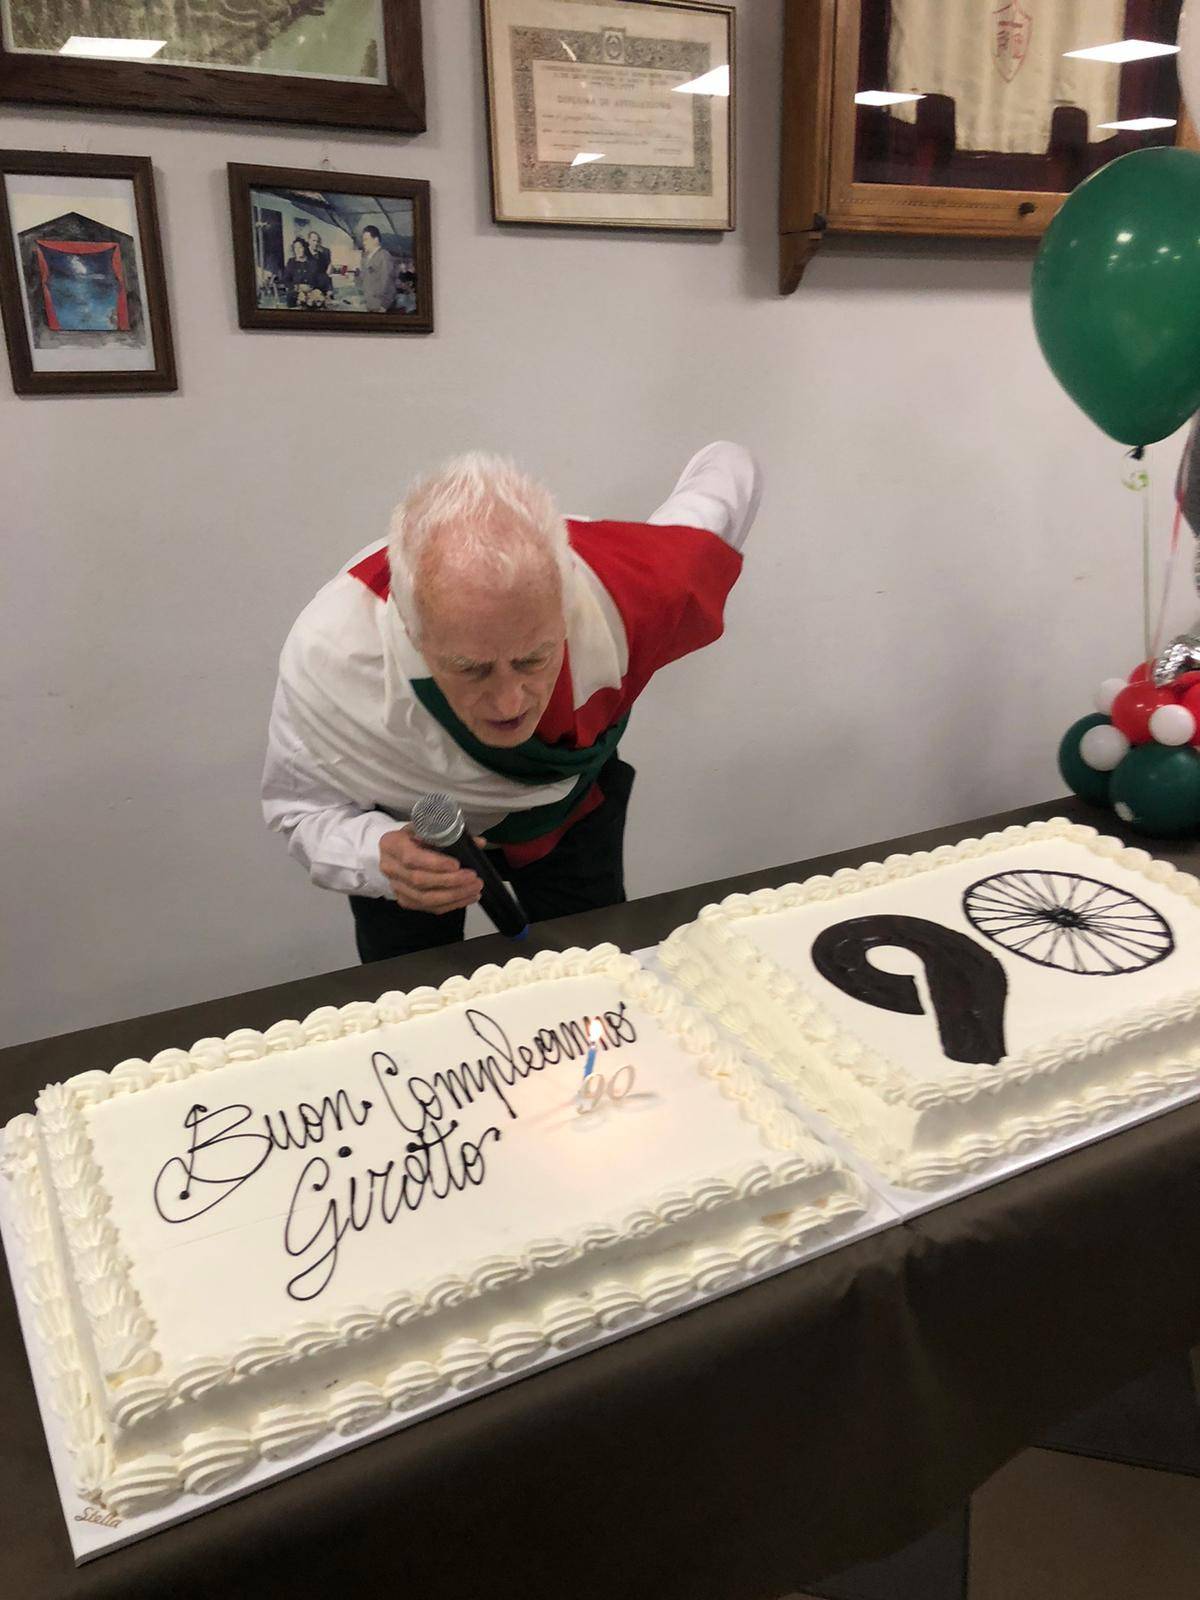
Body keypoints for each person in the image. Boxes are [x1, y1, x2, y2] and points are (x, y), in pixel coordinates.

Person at [262, 443, 762, 962]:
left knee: (597, 972)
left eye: (534, 659)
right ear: (411, 630)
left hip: (568, 819)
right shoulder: (330, 658)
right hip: (410, 834)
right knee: (413, 990)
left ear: (566, 609)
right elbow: (300, 810)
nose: (508, 704)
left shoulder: (630, 595)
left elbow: (727, 478)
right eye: (470, 668)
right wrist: (376, 856)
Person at [358, 225, 397, 312]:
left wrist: (384, 306)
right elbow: (364, 280)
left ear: (376, 240)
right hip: (369, 305)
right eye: (363, 240)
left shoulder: (384, 256)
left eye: (366, 239)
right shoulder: (365, 258)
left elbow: (389, 282)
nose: (363, 243)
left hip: (380, 307)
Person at [279, 238, 325, 308]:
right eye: (295, 248)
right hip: (295, 294)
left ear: (305, 248)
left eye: (300, 247)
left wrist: (312, 288)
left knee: (316, 302)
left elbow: (320, 279)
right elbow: (285, 280)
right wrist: (297, 287)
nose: (298, 250)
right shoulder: (291, 262)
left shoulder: (313, 262)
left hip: (311, 292)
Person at [306, 230, 333, 298]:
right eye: (313, 241)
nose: (316, 243)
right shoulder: (304, 254)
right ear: (308, 240)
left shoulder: (322, 256)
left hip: (322, 289)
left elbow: (326, 274)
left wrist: (329, 289)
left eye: (317, 241)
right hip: (308, 289)